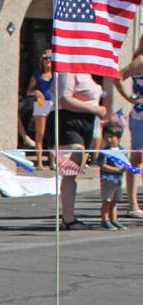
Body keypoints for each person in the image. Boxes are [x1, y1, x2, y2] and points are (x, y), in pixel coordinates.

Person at [53, 72, 106, 230]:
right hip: (68, 121)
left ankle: (69, 216)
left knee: (75, 171)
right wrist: (94, 108)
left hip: (87, 122)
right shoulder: (67, 70)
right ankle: (68, 219)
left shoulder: (87, 71)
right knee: (70, 168)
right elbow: (64, 98)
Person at [116, 36, 143, 218]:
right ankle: (132, 204)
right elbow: (117, 76)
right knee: (137, 157)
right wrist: (128, 97)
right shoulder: (140, 60)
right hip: (141, 115)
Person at [26, 52, 54, 168]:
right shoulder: (37, 75)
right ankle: (39, 161)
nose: (48, 60)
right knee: (40, 133)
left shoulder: (57, 74)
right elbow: (28, 91)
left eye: (50, 58)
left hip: (53, 103)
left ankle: (53, 161)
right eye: (45, 58)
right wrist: (36, 92)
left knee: (53, 133)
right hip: (42, 103)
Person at [98, 122, 126, 230]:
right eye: (106, 137)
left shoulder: (122, 149)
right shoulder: (105, 151)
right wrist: (116, 169)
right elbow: (102, 165)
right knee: (107, 201)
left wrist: (125, 168)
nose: (109, 139)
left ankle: (114, 219)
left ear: (118, 138)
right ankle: (104, 220)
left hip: (118, 180)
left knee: (115, 201)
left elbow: (125, 162)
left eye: (111, 137)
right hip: (107, 180)